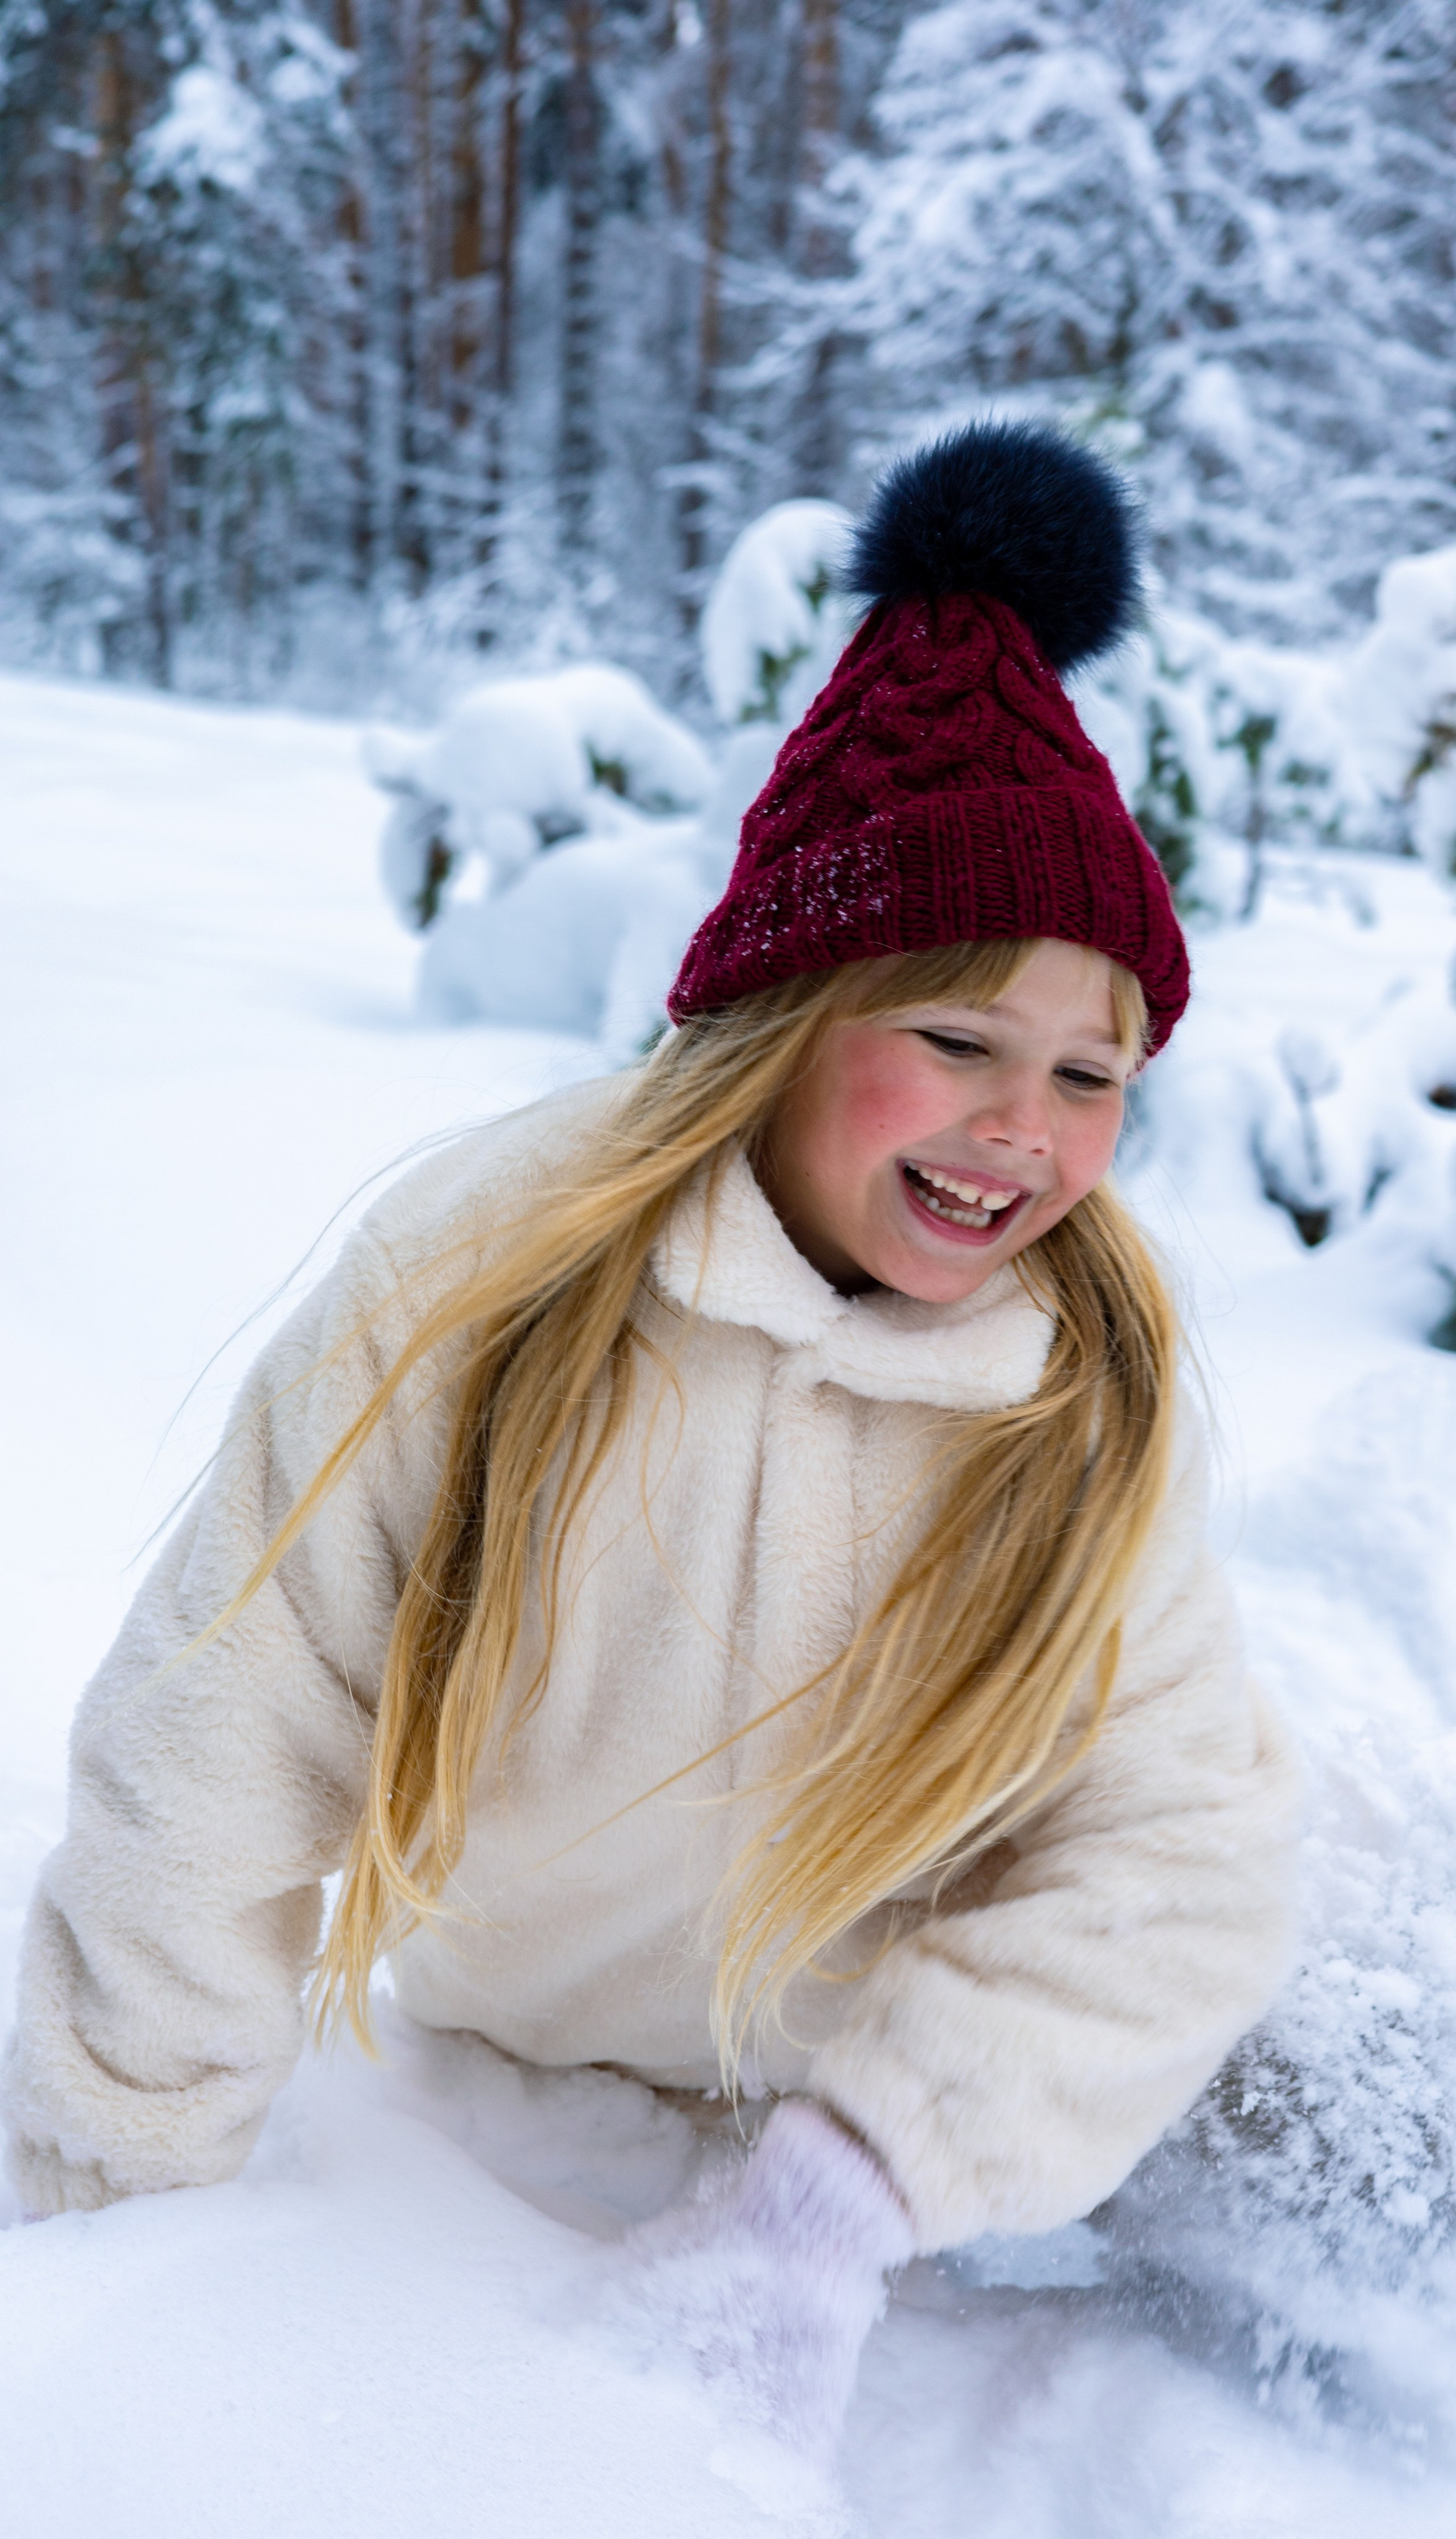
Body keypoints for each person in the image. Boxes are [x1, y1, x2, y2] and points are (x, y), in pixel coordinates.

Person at [2, 422, 1301, 2458]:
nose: (1020, 1132)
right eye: (953, 1040)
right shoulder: (501, 1280)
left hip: (876, 2203)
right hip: (480, 2113)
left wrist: (837, 2196)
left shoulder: (1073, 1405)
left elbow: (1187, 1855)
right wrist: (117, 2203)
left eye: (1087, 1073)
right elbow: (226, 1719)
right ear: (787, 1009)